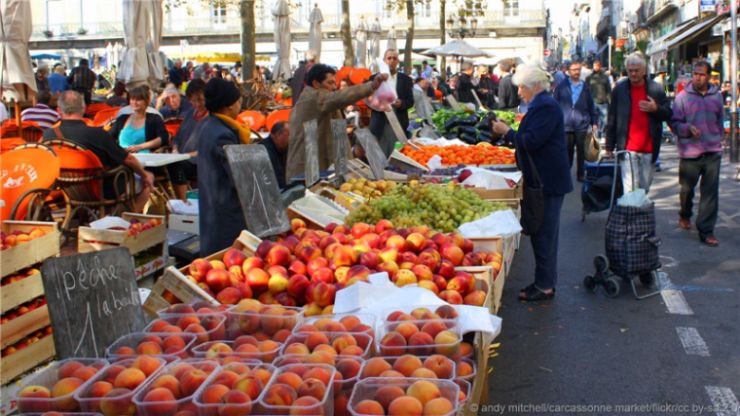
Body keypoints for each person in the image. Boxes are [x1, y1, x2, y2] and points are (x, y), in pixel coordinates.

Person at [492, 64, 572, 302]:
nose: (518, 93)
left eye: (522, 88)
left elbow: (531, 140)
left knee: (544, 232)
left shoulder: (546, 106)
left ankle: (545, 285)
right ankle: (543, 281)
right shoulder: (541, 105)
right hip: (543, 177)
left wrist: (507, 132)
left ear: (535, 86)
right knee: (542, 231)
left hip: (547, 179)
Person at [42, 91, 154, 213]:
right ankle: (124, 220)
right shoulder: (97, 134)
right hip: (100, 191)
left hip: (66, 191)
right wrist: (144, 175)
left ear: (58, 110)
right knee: (147, 179)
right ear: (84, 108)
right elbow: (129, 159)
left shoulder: (48, 135)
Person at [286, 64, 388, 180]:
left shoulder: (322, 100)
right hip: (306, 169)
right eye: (329, 83)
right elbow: (338, 97)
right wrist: (371, 86)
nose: (334, 87)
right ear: (316, 84)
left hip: (319, 166)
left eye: (335, 82)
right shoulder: (312, 98)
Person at [670, 61, 723, 247]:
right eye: (696, 74)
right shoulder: (682, 97)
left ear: (709, 76)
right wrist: (687, 129)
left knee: (710, 193)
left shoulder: (716, 96)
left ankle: (706, 230)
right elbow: (674, 123)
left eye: (702, 74)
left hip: (712, 151)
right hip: (689, 153)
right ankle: (685, 214)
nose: (698, 77)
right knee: (686, 190)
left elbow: (720, 119)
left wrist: (718, 139)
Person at [198, 78, 250, 254]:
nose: (240, 104)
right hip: (224, 209)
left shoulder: (209, 125)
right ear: (228, 106)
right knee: (224, 258)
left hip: (213, 206)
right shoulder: (223, 135)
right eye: (238, 100)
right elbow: (239, 177)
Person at [605, 53, 672, 193]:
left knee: (644, 189)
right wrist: (609, 146)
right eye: (630, 71)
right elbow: (612, 118)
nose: (633, 74)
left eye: (636, 70)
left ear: (644, 70)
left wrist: (656, 109)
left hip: (649, 148)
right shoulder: (619, 90)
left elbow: (668, 113)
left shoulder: (656, 89)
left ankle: (639, 214)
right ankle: (631, 214)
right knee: (630, 191)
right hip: (628, 149)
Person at [554, 61, 599, 181]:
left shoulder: (585, 87)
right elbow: (555, 105)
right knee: (567, 151)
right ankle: (566, 174)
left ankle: (580, 174)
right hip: (566, 124)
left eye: (578, 70)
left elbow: (591, 105)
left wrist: (594, 122)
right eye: (574, 70)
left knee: (581, 151)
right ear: (568, 71)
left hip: (581, 124)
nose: (576, 72)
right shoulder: (562, 86)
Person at [369, 49, 414, 156]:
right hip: (380, 121)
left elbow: (410, 101)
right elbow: (368, 99)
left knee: (397, 154)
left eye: (395, 58)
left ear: (398, 61)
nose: (392, 61)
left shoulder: (406, 79)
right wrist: (378, 103)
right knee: (380, 154)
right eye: (389, 58)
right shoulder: (373, 78)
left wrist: (402, 103)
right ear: (384, 60)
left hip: (399, 121)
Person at [169, 79, 207, 201]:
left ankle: (184, 203)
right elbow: (178, 137)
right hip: (183, 157)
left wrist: (186, 155)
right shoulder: (191, 114)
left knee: (176, 166)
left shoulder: (212, 118)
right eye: (193, 100)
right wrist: (175, 149)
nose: (197, 104)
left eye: (200, 99)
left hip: (201, 162)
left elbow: (208, 148)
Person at [110, 85, 169, 153]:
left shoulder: (154, 119)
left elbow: (163, 138)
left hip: (145, 158)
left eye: (138, 100)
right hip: (122, 158)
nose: (134, 102)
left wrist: (140, 147)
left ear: (146, 101)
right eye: (132, 99)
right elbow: (109, 138)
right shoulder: (122, 119)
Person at [260, 121, 290, 190]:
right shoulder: (264, 152)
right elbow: (277, 181)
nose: (291, 139)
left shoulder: (283, 148)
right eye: (289, 135)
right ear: (279, 135)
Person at [586, 59, 611, 135]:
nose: (596, 67)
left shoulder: (605, 77)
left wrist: (610, 101)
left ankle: (601, 132)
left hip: (603, 102)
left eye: (597, 65)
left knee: (605, 120)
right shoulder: (589, 78)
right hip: (593, 102)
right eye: (594, 65)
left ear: (600, 66)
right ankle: (596, 134)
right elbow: (585, 91)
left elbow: (608, 90)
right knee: (593, 121)